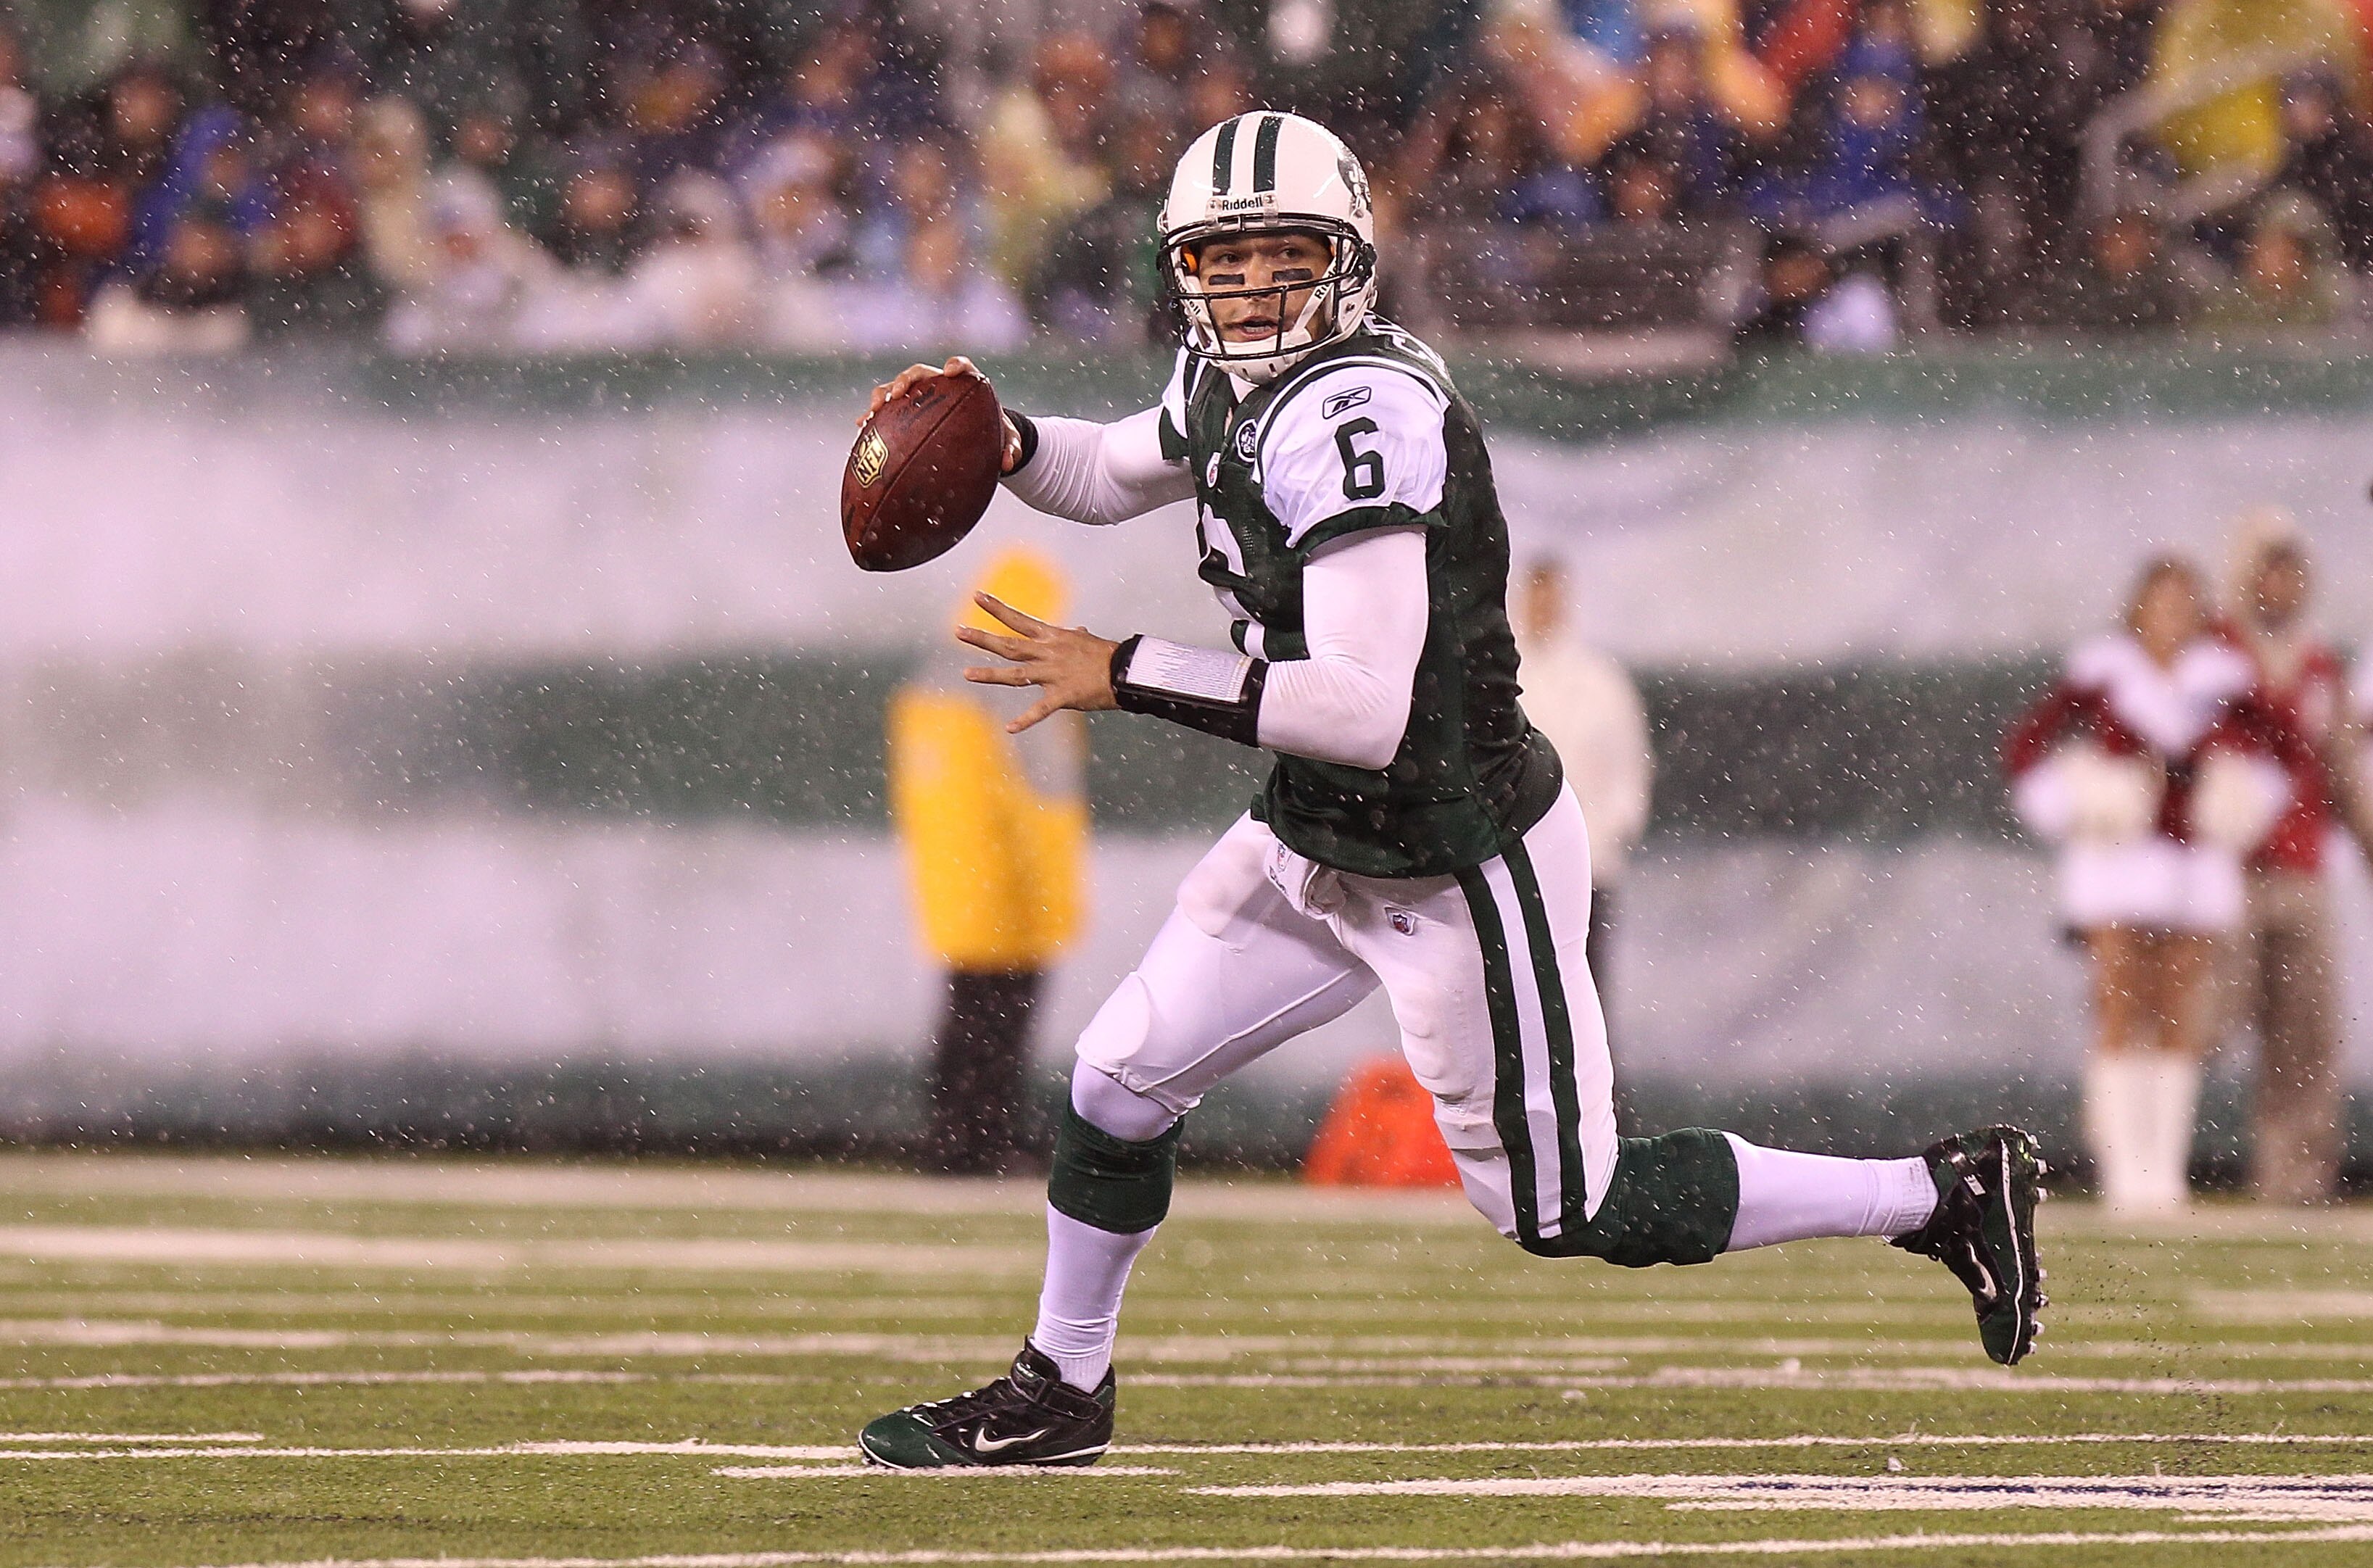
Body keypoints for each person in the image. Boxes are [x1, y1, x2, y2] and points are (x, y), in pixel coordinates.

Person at [853, 110, 2046, 1472]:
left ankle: (1933, 1192)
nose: (1244, 290)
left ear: (1347, 257)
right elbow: (1118, 465)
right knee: (1118, 1082)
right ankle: (1061, 1388)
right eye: (1217, 260)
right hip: (1314, 833)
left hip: (1454, 853)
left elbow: (1359, 706)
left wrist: (1121, 667)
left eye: (1276, 257)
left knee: (1565, 1201)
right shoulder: (1231, 382)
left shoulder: (1361, 413)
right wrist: (1001, 438)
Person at [2005, 557, 2294, 1216]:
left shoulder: (2224, 681)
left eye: (2185, 604)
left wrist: (2238, 802)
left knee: (2178, 1012)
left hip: (2194, 865)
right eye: (2160, 604)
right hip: (2116, 862)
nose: (2172, 617)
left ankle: (2162, 1170)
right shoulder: (2100, 676)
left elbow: (2280, 755)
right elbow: (2027, 750)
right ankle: (2120, 1168)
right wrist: (2083, 796)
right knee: (2117, 1006)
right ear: (2136, 609)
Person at [887, 550, 1090, 1177]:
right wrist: (1044, 889)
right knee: (998, 1027)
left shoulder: (928, 689)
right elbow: (1031, 809)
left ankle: (956, 1140)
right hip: (1008, 894)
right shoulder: (1012, 691)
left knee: (967, 1021)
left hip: (953, 886)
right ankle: (980, 1142)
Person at [2219, 511, 2366, 1204]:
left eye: (2291, 572)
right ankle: (2149, 1168)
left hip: (2300, 869)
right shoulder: (2214, 655)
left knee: (2306, 1032)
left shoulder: (2317, 667)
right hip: (2220, 873)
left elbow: (2342, 770)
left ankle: (2295, 1179)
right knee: (2203, 1025)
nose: (2280, 585)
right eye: (2269, 571)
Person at [1509, 559, 1652, 1008]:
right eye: (1534, 598)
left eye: (1550, 598)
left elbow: (1632, 767)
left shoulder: (1601, 682)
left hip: (1589, 861)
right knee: (1520, 990)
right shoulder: (1501, 680)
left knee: (1586, 990)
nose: (1542, 609)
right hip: (1516, 861)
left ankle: (1592, 1080)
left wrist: (1611, 833)